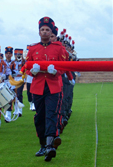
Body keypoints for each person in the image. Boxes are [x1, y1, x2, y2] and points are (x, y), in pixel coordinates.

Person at [25, 17, 71, 161]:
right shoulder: (33, 49)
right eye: (42, 30)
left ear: (51, 32)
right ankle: (43, 145)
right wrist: (33, 70)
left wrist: (56, 71)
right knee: (40, 117)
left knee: (51, 114)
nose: (45, 32)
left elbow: (64, 66)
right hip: (38, 87)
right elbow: (26, 68)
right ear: (39, 32)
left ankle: (50, 145)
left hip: (53, 86)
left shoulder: (58, 48)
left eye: (47, 30)